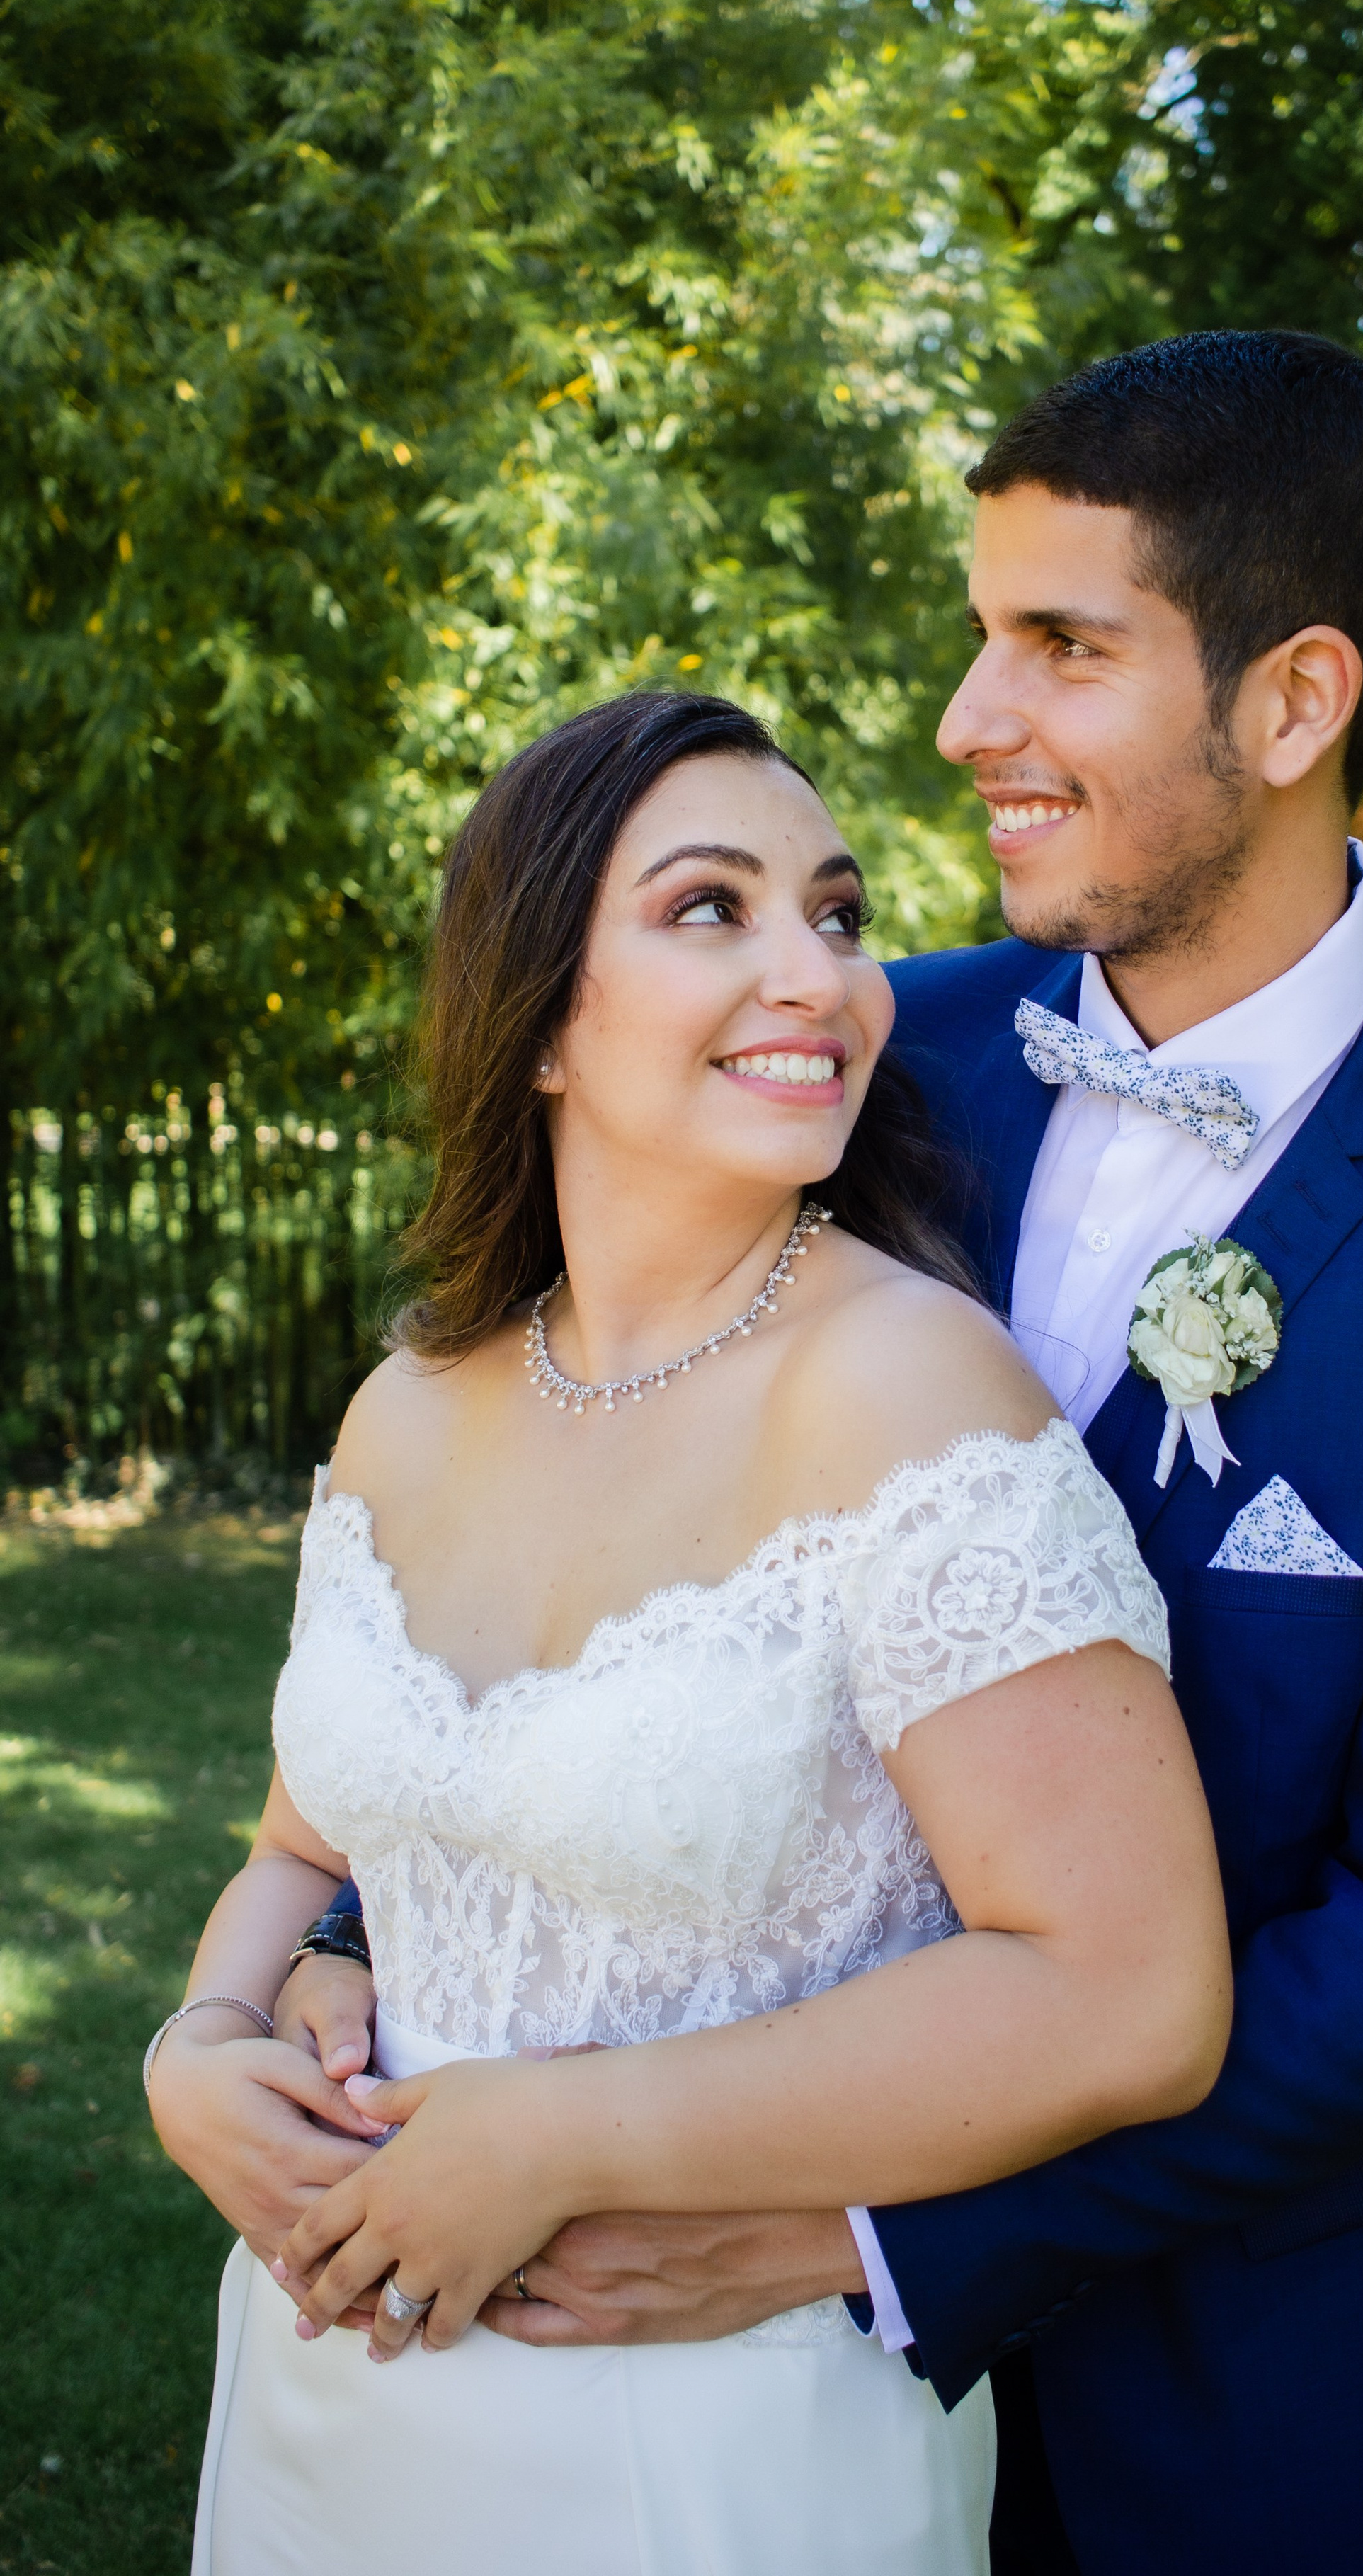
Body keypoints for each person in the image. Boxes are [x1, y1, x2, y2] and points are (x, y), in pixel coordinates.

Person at [281, 330, 1363, 2575]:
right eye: (984, 639)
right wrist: (345, 1938)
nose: (971, 722)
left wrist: (859, 2233)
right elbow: (596, 1508)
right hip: (705, 2400)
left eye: (1060, 647)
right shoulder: (862, 1048)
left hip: (1274, 2418)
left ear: (1291, 702)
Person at [144, 687, 1232, 2576]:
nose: (812, 969)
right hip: (327, 2404)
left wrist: (560, 2140)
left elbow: (1127, 1993)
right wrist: (203, 2041)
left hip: (715, 2439)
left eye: (837, 908)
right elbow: (306, 1842)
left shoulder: (912, 1397)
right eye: (711, 909)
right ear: (540, 1014)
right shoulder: (409, 1404)